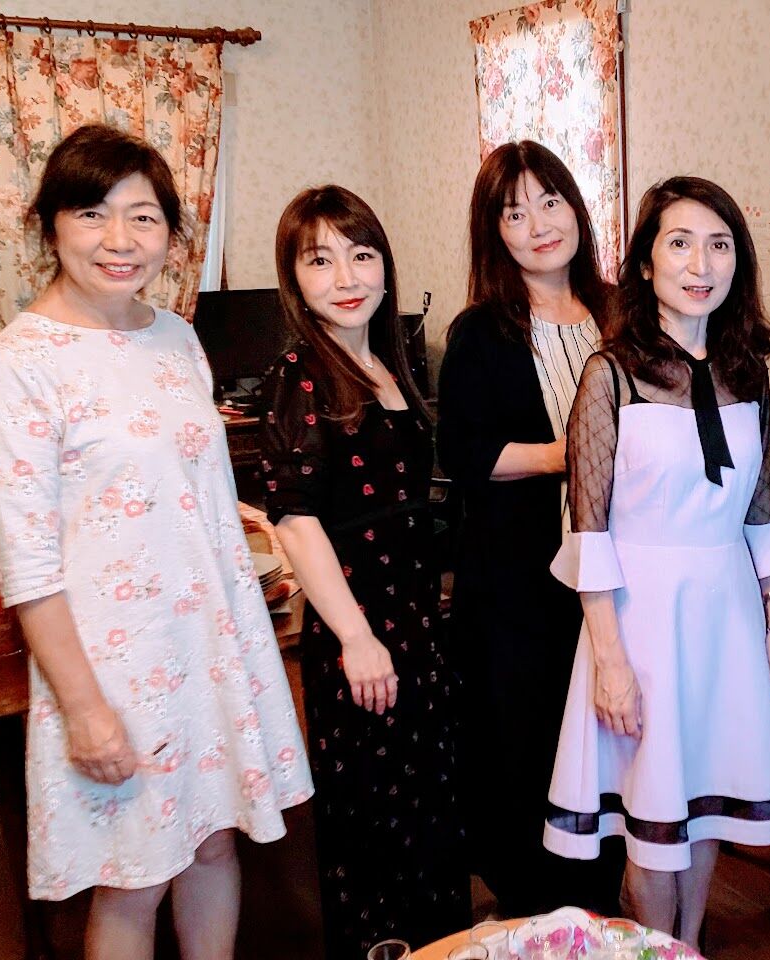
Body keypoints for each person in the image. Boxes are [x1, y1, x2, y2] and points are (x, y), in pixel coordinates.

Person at [0, 124, 311, 960]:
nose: (119, 239)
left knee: (215, 843)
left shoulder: (175, 337)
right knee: (134, 878)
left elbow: (195, 493)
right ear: (51, 224)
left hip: (207, 646)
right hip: (115, 668)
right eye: (93, 214)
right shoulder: (20, 364)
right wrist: (86, 711)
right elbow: (27, 564)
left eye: (144, 217)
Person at [543, 176, 770, 944]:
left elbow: (763, 509)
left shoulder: (747, 371)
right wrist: (610, 661)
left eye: (718, 245)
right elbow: (588, 531)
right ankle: (656, 950)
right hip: (640, 622)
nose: (700, 263)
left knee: (707, 802)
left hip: (726, 615)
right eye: (680, 243)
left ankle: (688, 945)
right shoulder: (610, 374)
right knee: (652, 820)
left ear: (737, 262)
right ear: (647, 263)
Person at [260, 186, 468, 953]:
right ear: (294, 277)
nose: (346, 276)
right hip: (362, 629)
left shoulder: (385, 362)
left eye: (362, 255)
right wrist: (355, 637)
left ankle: (441, 946)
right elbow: (297, 520)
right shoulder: (299, 374)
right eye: (320, 260)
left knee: (428, 812)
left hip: (413, 622)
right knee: (375, 826)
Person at [438, 140, 622, 916]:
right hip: (521, 584)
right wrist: (568, 454)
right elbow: (464, 453)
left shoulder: (621, 312)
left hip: (620, 573)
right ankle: (535, 912)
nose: (540, 224)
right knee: (533, 745)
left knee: (609, 741)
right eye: (515, 213)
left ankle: (605, 905)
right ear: (495, 231)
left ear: (576, 209)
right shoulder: (481, 331)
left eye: (551, 202)